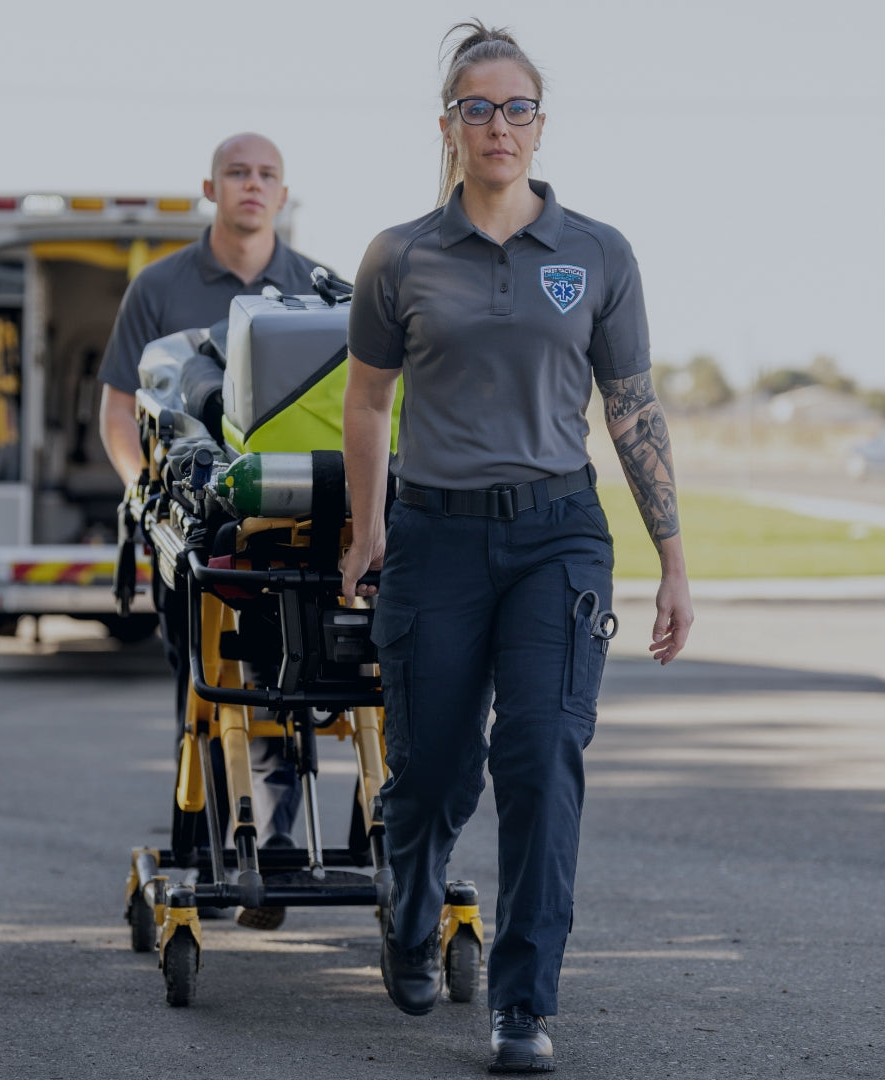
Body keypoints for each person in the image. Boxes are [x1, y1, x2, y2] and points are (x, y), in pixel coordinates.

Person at [340, 21, 693, 1075]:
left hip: (559, 538)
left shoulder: (597, 253)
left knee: (540, 753)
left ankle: (523, 1003)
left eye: (518, 107)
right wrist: (369, 528)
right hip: (436, 538)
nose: (500, 126)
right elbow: (366, 402)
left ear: (543, 125)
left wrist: (673, 557)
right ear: (448, 126)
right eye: (479, 108)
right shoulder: (399, 254)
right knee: (433, 773)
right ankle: (407, 907)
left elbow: (632, 410)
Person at [99, 132, 325, 927]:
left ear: (284, 191)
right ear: (211, 186)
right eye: (239, 173)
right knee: (205, 691)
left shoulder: (322, 289)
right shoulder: (157, 288)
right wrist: (146, 493)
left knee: (286, 684)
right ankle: (214, 847)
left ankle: (272, 847)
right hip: (191, 535)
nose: (253, 185)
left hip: (293, 530)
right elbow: (119, 412)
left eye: (267, 174)